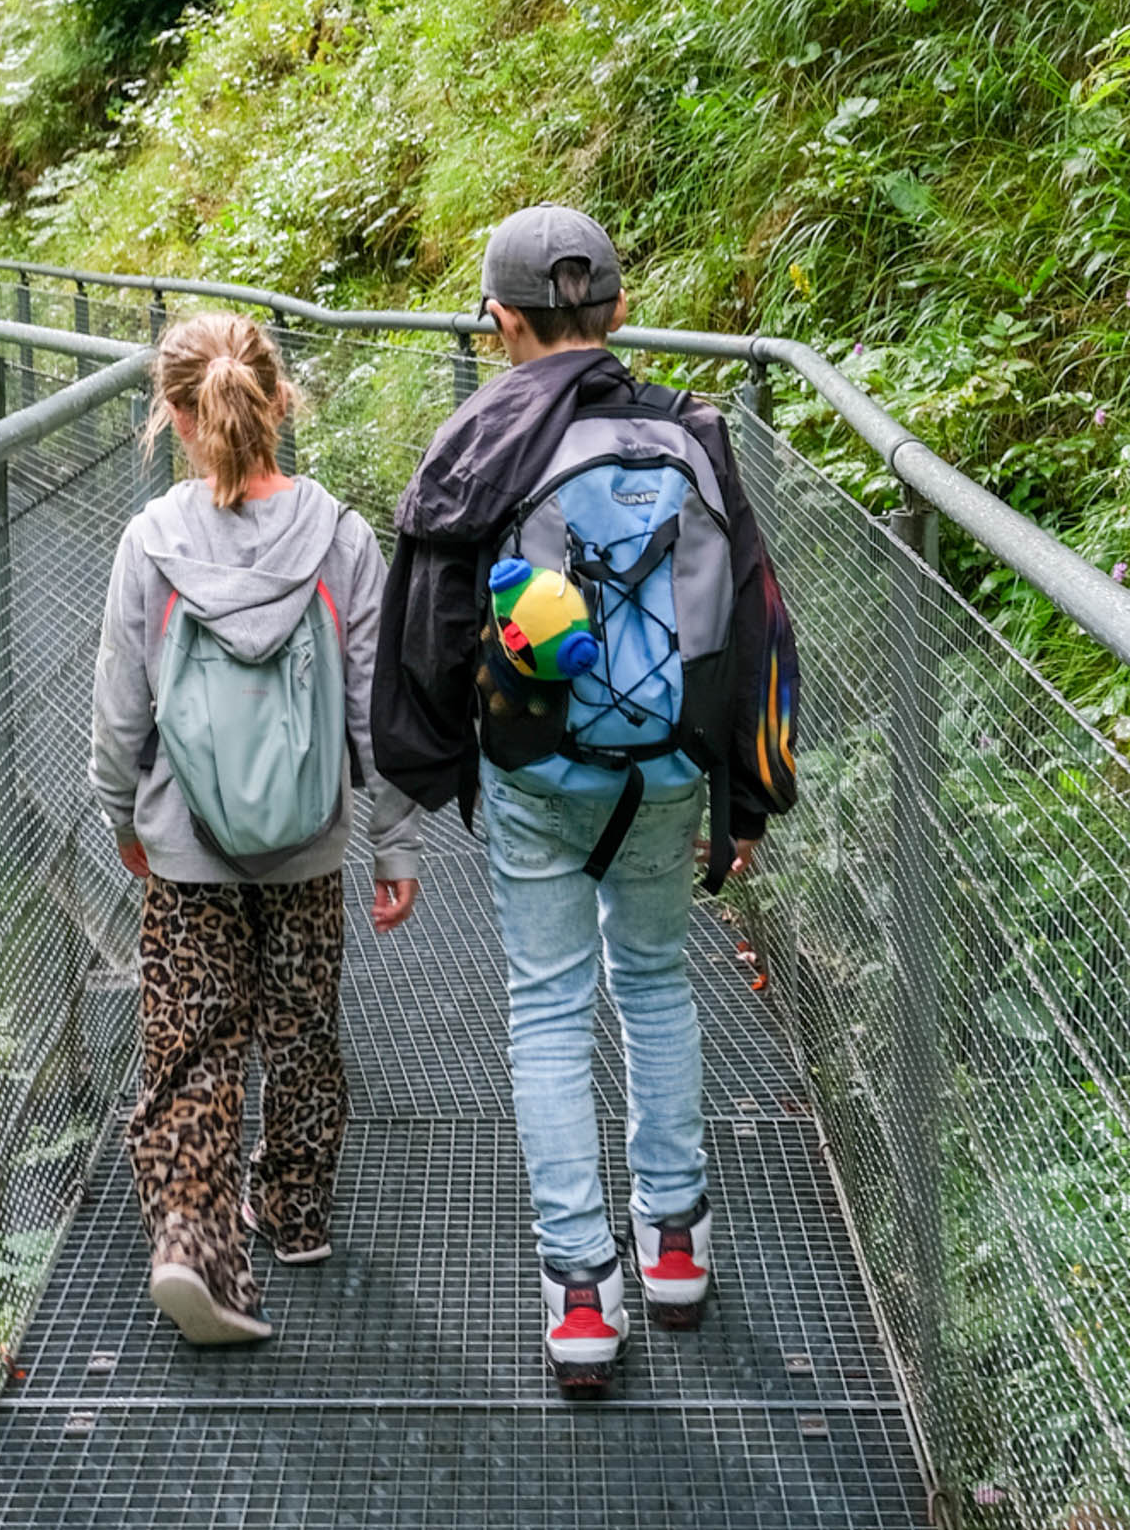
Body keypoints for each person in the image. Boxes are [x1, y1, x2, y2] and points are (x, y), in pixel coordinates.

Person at [370, 203, 800, 1395]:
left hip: (535, 769)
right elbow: (756, 614)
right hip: (668, 766)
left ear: (498, 320)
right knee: (653, 979)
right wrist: (745, 793)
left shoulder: (477, 439)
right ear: (613, 310)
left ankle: (578, 1293)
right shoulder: (692, 431)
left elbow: (428, 621)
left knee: (548, 1007)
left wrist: (423, 776)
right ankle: (675, 1244)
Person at [89, 312, 425, 1346]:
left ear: (175, 419)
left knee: (190, 1044)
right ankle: (296, 1211)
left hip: (185, 840)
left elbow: (119, 710)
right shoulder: (341, 536)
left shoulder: (151, 540)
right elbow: (375, 706)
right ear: (281, 399)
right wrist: (393, 841)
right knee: (299, 1026)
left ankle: (193, 1242)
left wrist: (119, 813)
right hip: (308, 836)